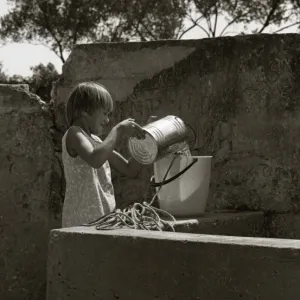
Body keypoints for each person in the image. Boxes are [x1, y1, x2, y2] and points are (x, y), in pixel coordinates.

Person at [61, 81, 152, 228]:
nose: (108, 120)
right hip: (80, 223)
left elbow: (129, 169)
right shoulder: (74, 134)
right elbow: (94, 159)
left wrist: (149, 139)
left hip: (103, 221)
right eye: (104, 113)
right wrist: (119, 129)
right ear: (85, 110)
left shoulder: (96, 141)